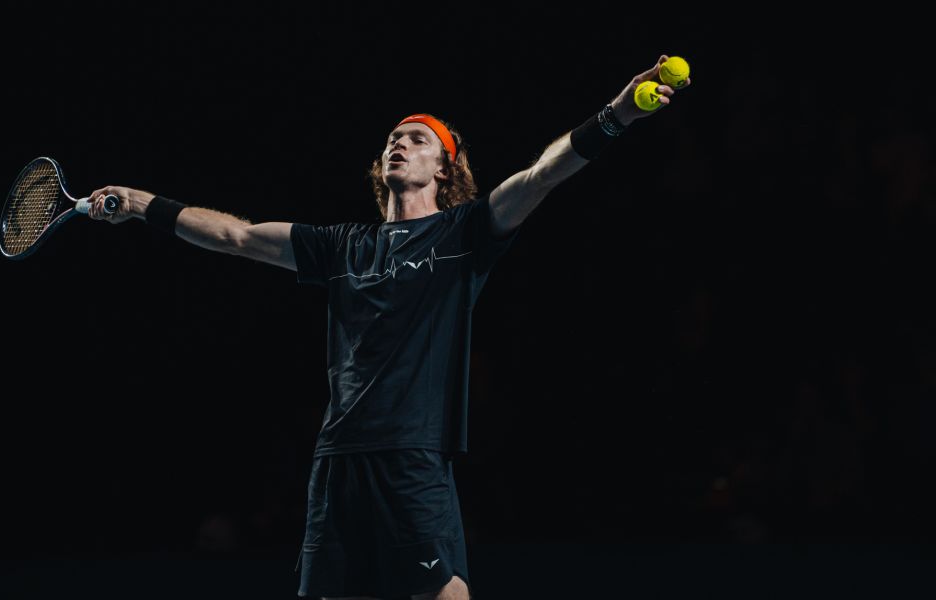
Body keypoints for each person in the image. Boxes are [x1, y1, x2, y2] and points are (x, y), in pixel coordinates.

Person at [86, 55, 691, 600]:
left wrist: (616, 115)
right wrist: (143, 205)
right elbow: (238, 236)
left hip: (412, 456)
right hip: (339, 460)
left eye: (417, 139)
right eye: (393, 139)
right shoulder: (341, 247)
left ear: (445, 167)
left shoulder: (466, 234)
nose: (399, 144)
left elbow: (541, 177)